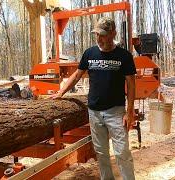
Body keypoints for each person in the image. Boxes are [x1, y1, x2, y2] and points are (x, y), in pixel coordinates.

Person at [50, 16, 136, 180]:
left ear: (113, 33)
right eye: (97, 34)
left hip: (116, 112)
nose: (99, 38)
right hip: (94, 113)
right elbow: (77, 75)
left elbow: (131, 84)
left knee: (122, 152)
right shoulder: (90, 53)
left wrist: (129, 111)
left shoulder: (124, 56)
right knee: (101, 153)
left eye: (103, 34)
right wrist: (61, 92)